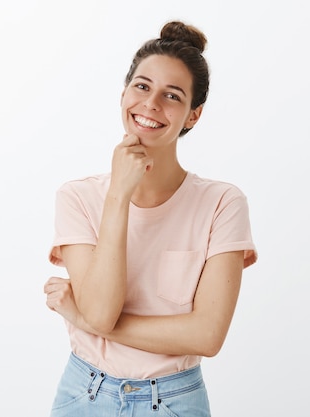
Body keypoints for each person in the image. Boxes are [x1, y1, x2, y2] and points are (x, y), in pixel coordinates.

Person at [43, 20, 257, 417]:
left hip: (175, 401)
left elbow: (207, 336)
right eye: (142, 86)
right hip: (83, 395)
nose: (151, 104)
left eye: (172, 95)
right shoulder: (78, 197)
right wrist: (119, 196)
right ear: (124, 93)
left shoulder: (222, 204)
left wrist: (88, 322)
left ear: (193, 116)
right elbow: (102, 309)